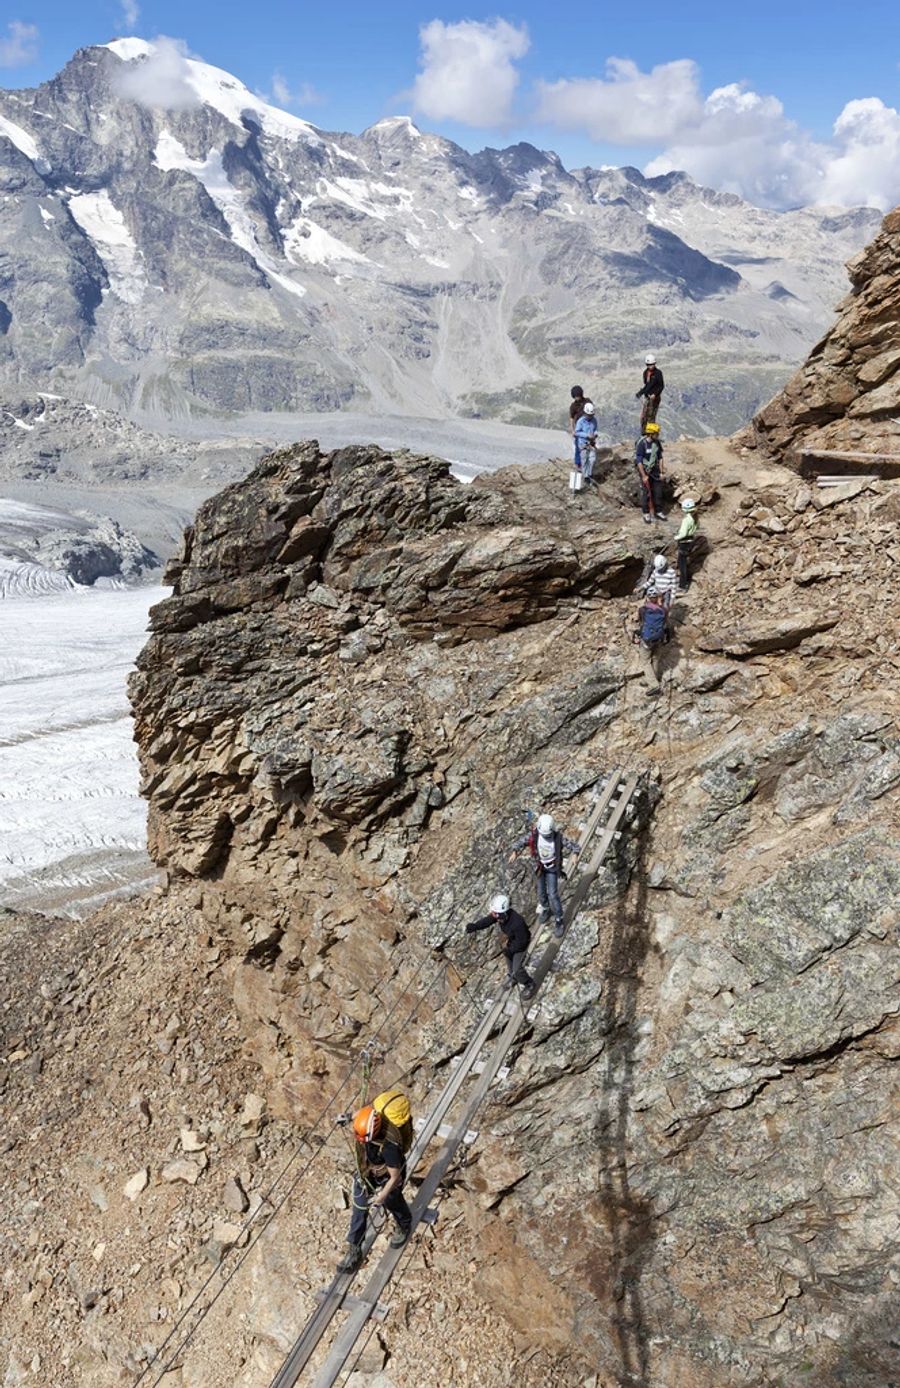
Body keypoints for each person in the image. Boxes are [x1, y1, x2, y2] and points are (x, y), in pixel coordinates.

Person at [337, 1096, 413, 1273]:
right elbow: (363, 1112)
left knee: (392, 1200)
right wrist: (348, 1116)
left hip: (388, 1174)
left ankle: (404, 1223)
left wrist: (382, 1196)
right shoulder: (367, 1120)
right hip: (367, 1169)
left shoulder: (389, 1147)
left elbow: (394, 1178)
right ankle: (354, 1248)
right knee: (359, 1207)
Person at [509, 813, 580, 938]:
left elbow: (574, 846)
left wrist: (575, 854)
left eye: (548, 835)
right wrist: (515, 851)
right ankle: (546, 909)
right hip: (540, 867)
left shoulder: (558, 838)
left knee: (553, 894)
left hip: (552, 868)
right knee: (541, 892)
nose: (546, 837)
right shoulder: (535, 836)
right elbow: (521, 841)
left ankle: (559, 919)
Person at [466, 894, 535, 999]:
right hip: (513, 941)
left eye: (495, 913)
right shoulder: (502, 916)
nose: (493, 915)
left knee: (517, 968)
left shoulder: (517, 923)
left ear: (502, 913)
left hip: (521, 945)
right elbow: (488, 921)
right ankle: (513, 977)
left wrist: (511, 950)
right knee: (509, 960)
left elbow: (522, 942)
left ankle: (528, 983)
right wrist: (475, 926)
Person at [635, 590, 669, 691]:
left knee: (645, 661)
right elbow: (665, 623)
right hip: (659, 638)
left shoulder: (642, 609)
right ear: (657, 598)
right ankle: (653, 678)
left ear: (648, 598)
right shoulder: (663, 610)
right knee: (655, 658)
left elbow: (641, 623)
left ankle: (654, 685)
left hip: (647, 639)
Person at [634, 422, 666, 524]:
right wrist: (643, 476)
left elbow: (660, 457)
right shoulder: (642, 444)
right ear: (651, 434)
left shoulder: (657, 443)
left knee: (658, 492)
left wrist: (661, 472)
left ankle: (659, 510)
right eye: (656, 433)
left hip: (655, 470)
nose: (658, 435)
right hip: (645, 471)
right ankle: (646, 513)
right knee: (646, 493)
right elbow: (639, 461)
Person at [635, 353, 664, 430]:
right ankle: (644, 433)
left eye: (651, 364)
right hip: (647, 397)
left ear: (654, 364)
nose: (650, 366)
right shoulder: (645, 373)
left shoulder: (658, 373)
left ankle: (651, 435)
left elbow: (661, 386)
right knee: (643, 416)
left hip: (655, 398)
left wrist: (655, 394)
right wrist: (640, 393)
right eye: (648, 365)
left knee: (651, 416)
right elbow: (647, 385)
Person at [676, 498, 698, 589]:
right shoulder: (695, 517)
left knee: (682, 565)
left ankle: (683, 585)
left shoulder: (686, 520)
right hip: (690, 541)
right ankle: (685, 581)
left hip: (684, 542)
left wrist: (676, 537)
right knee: (684, 562)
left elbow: (683, 533)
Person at [574, 402, 598, 483]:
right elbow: (577, 432)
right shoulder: (580, 421)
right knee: (584, 461)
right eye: (589, 415)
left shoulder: (594, 420)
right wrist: (586, 435)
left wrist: (595, 434)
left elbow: (595, 429)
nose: (590, 416)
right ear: (585, 413)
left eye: (591, 415)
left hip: (591, 444)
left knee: (592, 459)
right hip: (583, 444)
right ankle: (586, 477)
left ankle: (590, 474)